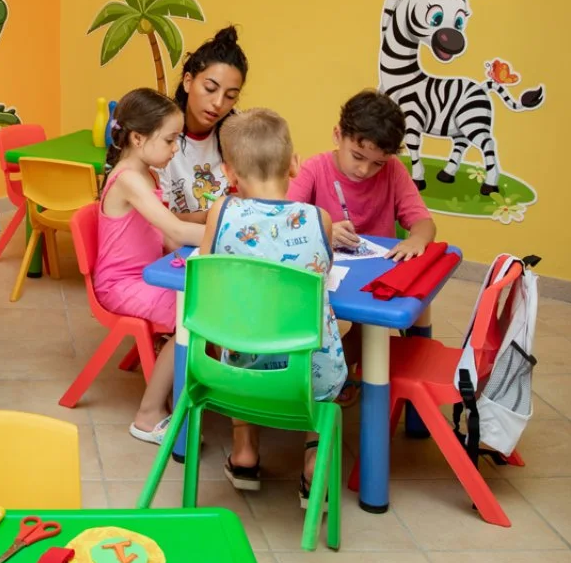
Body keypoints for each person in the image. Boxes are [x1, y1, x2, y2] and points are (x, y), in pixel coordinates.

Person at [204, 108, 346, 507]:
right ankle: (313, 460)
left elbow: (210, 270)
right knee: (328, 338)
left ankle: (245, 452)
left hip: (241, 372)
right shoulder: (319, 218)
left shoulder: (221, 212)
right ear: (295, 164)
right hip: (308, 376)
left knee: (242, 333)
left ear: (229, 174)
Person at [288, 90, 439, 413]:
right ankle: (316, 377)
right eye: (357, 156)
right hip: (324, 277)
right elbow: (287, 220)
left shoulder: (394, 171)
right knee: (307, 320)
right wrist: (324, 230)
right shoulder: (314, 169)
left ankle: (329, 376)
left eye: (377, 163)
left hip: (372, 281)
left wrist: (417, 239)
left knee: (369, 328)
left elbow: (424, 223)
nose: (364, 170)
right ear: (337, 135)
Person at [94, 88, 205, 444]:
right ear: (138, 138)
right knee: (193, 315)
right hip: (121, 285)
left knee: (203, 297)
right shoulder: (128, 179)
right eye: (170, 140)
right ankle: (148, 414)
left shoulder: (148, 175)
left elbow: (166, 236)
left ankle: (189, 386)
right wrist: (233, 233)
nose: (175, 149)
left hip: (147, 275)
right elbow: (175, 229)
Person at [158, 26, 248, 223]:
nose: (218, 103)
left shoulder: (238, 132)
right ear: (188, 82)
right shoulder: (159, 134)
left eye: (230, 96)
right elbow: (155, 222)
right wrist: (212, 216)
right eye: (210, 88)